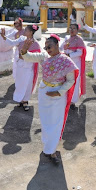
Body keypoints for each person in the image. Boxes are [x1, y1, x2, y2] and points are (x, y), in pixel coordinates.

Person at [21, 34, 78, 164]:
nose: (47, 50)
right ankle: (47, 145)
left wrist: (58, 92)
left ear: (57, 45)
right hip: (44, 92)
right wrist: (24, 50)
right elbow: (28, 57)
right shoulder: (44, 56)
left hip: (57, 94)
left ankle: (52, 150)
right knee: (45, 121)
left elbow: (71, 80)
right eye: (46, 47)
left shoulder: (65, 60)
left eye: (50, 46)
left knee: (55, 123)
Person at [0, 24, 41, 111]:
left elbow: (36, 57)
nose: (24, 31)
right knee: (19, 83)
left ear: (31, 32)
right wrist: (4, 37)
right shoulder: (22, 39)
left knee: (27, 83)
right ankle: (20, 100)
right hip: (20, 65)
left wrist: (25, 56)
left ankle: (25, 101)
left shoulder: (35, 44)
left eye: (26, 30)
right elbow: (12, 42)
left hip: (28, 66)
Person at [60, 23, 87, 108]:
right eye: (70, 28)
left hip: (75, 63)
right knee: (66, 80)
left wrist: (69, 55)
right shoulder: (67, 38)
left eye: (74, 28)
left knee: (74, 81)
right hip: (66, 63)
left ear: (77, 30)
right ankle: (66, 99)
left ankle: (72, 101)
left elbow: (80, 52)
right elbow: (61, 48)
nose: (71, 30)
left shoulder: (79, 39)